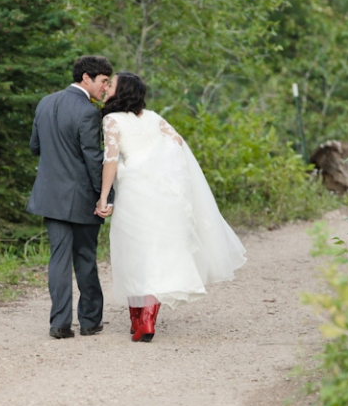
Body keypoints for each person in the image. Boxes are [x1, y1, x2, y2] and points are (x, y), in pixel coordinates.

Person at [94, 72, 246, 342]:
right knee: (157, 252)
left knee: (132, 250)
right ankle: (146, 320)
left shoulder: (112, 119)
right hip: (163, 193)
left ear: (122, 91)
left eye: (111, 85)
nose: (106, 89)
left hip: (133, 192)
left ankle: (138, 320)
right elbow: (176, 142)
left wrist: (104, 196)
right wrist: (157, 163)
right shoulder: (155, 118)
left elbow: (111, 159)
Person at [28, 55, 113, 339]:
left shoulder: (45, 102)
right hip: (81, 197)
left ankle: (60, 324)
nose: (105, 87)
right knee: (85, 257)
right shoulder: (88, 111)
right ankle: (89, 321)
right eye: (103, 81)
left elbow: (35, 146)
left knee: (59, 259)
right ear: (86, 77)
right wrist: (104, 196)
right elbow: (93, 159)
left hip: (50, 196)